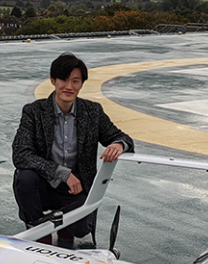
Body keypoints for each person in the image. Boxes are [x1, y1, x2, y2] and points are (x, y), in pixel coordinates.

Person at [12, 52, 134, 247]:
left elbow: (122, 137)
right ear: (53, 80)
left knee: (79, 234)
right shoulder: (34, 111)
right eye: (63, 79)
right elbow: (20, 154)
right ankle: (39, 233)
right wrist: (62, 173)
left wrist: (119, 144)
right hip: (45, 185)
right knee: (24, 178)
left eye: (75, 81)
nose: (69, 87)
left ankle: (66, 231)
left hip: (75, 189)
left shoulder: (92, 112)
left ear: (81, 84)